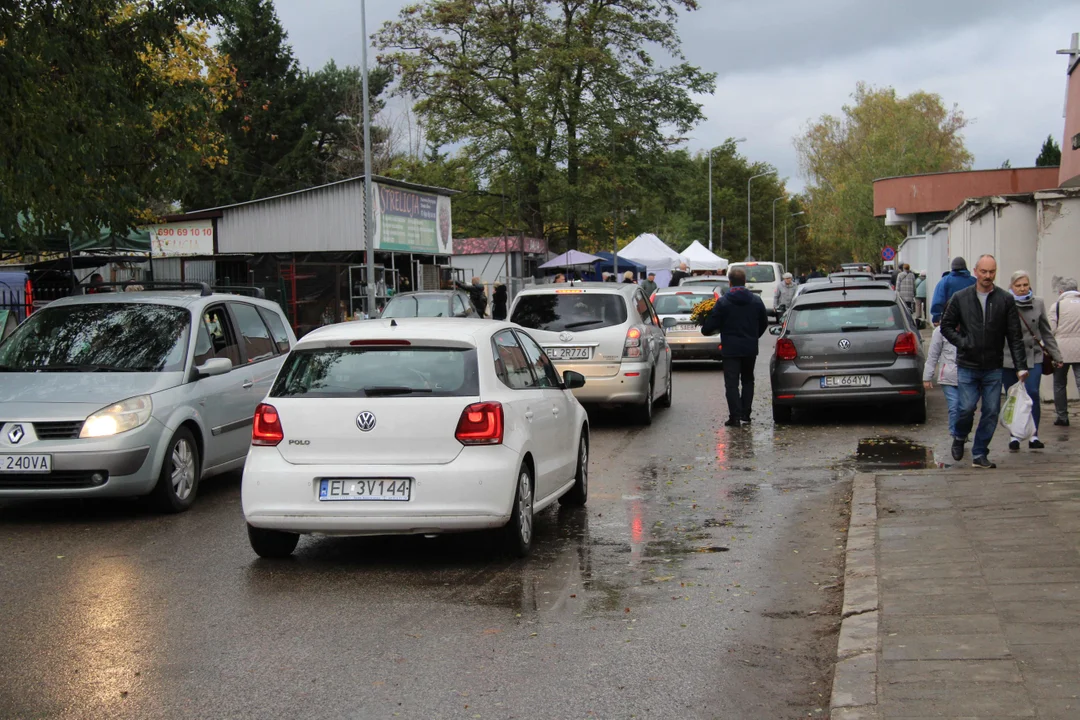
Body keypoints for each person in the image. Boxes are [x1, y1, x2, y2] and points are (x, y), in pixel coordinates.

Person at [940, 255, 1028, 469]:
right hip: (968, 364)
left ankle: (980, 453)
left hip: (993, 365)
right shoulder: (961, 298)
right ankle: (960, 436)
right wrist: (963, 342)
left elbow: (1014, 335)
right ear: (976, 272)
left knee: (991, 411)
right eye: (984, 272)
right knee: (966, 408)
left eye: (992, 272)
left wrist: (1021, 366)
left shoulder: (1005, 299)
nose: (988, 276)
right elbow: (946, 326)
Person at [1001, 270, 1062, 452]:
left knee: (1032, 393)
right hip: (1008, 357)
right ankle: (1015, 436)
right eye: (1018, 285)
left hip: (1033, 355)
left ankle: (1034, 435)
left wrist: (1056, 355)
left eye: (1025, 285)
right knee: (1013, 397)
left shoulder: (1038, 303)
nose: (1022, 289)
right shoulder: (1004, 302)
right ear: (1012, 286)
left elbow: (1046, 331)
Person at [701, 267, 769, 426]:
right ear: (745, 282)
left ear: (730, 282)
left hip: (730, 349)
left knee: (731, 383)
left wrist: (705, 326)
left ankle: (735, 416)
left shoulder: (723, 302)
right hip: (749, 348)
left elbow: (711, 325)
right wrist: (753, 336)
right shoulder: (756, 300)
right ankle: (746, 414)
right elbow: (764, 323)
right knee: (748, 380)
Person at [923, 325, 960, 441]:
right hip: (948, 377)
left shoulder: (971, 325)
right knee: (954, 406)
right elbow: (933, 355)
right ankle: (956, 436)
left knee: (967, 408)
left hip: (968, 377)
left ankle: (962, 432)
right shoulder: (940, 331)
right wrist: (927, 377)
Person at [1052, 278, 1080, 426]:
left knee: (1059, 384)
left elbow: (1050, 330)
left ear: (1061, 291)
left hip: (1060, 351)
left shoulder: (1056, 306)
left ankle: (1062, 416)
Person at [931, 257, 976, 324]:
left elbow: (938, 301)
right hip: (971, 320)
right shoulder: (974, 281)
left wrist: (936, 317)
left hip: (951, 320)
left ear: (952, 267)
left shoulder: (945, 281)